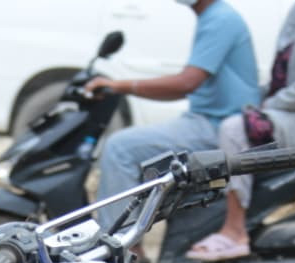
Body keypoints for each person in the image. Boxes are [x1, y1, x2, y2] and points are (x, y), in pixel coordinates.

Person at [186, 0, 295, 261]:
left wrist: (265, 106)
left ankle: (234, 230)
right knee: (239, 120)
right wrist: (256, 102)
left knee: (234, 129)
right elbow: (283, 79)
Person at [84, 0, 260, 233]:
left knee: (120, 148)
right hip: (207, 119)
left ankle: (118, 249)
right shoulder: (213, 16)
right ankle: (134, 243)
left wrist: (118, 85)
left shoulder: (220, 19)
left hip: (217, 125)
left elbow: (186, 83)